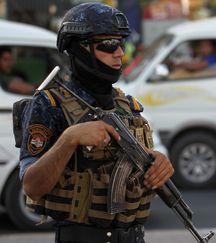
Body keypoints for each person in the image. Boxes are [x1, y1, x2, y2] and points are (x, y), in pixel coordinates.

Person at [18, 3, 174, 243]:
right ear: (79, 49)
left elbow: (139, 167)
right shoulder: (49, 104)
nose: (120, 53)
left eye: (121, 43)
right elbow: (32, 185)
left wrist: (158, 163)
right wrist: (69, 139)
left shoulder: (128, 105)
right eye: (109, 45)